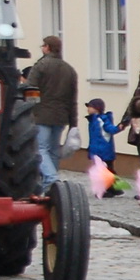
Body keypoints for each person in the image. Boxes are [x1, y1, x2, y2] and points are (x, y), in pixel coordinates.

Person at [25, 35, 77, 192]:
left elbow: (30, 91)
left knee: (40, 148)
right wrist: (73, 122)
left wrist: (28, 112)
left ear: (47, 47)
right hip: (61, 116)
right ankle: (52, 188)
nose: (42, 48)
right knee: (54, 150)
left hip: (41, 114)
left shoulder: (41, 66)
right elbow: (72, 98)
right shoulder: (69, 69)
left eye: (43, 46)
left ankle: (50, 178)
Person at [83, 98, 124, 196]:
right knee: (107, 171)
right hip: (98, 151)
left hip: (103, 152)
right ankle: (114, 188)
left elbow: (110, 129)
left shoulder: (102, 119)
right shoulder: (93, 120)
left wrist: (119, 127)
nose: (88, 109)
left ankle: (106, 190)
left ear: (97, 108)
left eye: (90, 106)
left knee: (104, 172)